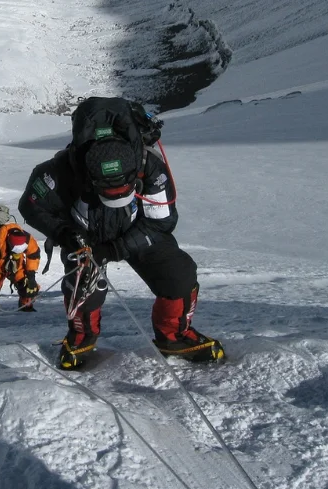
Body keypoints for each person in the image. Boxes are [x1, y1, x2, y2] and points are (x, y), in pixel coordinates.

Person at [18, 96, 224, 369]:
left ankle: (174, 337)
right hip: (84, 236)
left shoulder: (149, 166)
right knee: (83, 285)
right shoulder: (60, 171)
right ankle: (82, 337)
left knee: (179, 273)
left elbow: (161, 222)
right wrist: (67, 234)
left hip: (136, 229)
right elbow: (30, 206)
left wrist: (116, 249)